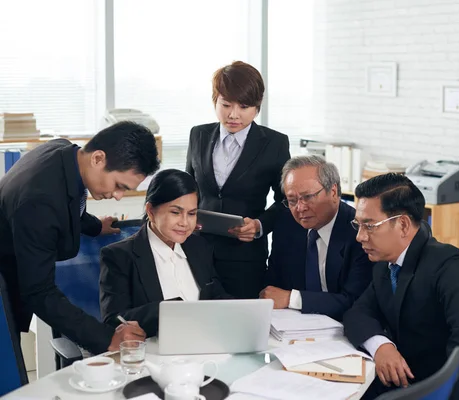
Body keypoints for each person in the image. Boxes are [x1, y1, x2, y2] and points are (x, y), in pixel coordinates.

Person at [343, 173, 459, 400]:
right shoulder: (385, 264)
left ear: (403, 225)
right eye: (358, 225)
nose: (360, 236)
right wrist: (381, 347)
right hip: (417, 382)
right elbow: (358, 313)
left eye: (369, 226)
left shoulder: (451, 267)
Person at [0, 121, 160, 354]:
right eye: (118, 185)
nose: (118, 196)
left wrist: (95, 226)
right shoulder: (40, 202)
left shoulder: (62, 150)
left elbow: (69, 200)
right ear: (97, 158)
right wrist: (107, 338)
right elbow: (39, 292)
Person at [186, 61, 290, 299]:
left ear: (257, 107)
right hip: (196, 250)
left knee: (241, 324)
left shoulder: (275, 143)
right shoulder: (198, 135)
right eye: (225, 104)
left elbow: (286, 201)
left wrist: (259, 226)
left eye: (244, 106)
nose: (233, 114)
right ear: (215, 100)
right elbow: (189, 189)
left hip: (244, 257)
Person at [99, 169, 232, 337]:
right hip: (154, 349)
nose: (184, 222)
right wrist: (170, 311)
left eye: (191, 214)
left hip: (205, 343)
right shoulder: (119, 256)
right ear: (151, 211)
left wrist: (241, 310)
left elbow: (216, 295)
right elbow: (113, 320)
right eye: (175, 212)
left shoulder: (199, 246)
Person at [261, 156, 372, 321]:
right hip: (294, 327)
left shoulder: (359, 231)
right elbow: (274, 287)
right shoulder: (286, 224)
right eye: (292, 201)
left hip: (346, 327)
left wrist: (293, 299)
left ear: (333, 192)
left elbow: (356, 301)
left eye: (308, 197)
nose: (300, 208)